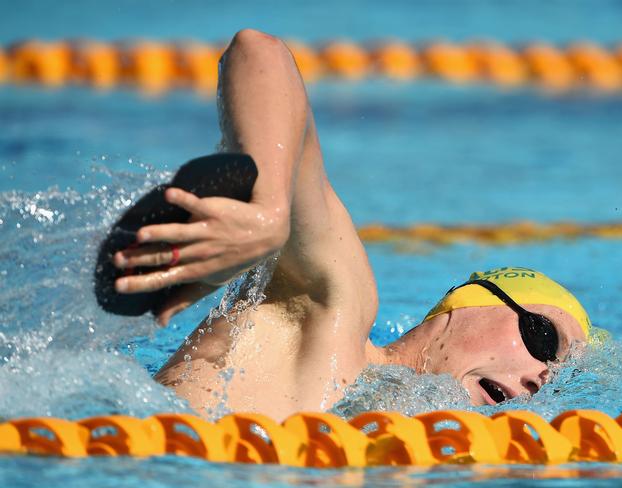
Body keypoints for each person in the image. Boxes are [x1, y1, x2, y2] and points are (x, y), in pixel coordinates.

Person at [110, 29, 594, 421]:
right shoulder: (332, 311)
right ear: (468, 306)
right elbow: (260, 52)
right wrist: (268, 211)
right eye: (543, 339)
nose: (540, 378)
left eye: (559, 374)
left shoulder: (403, 448)